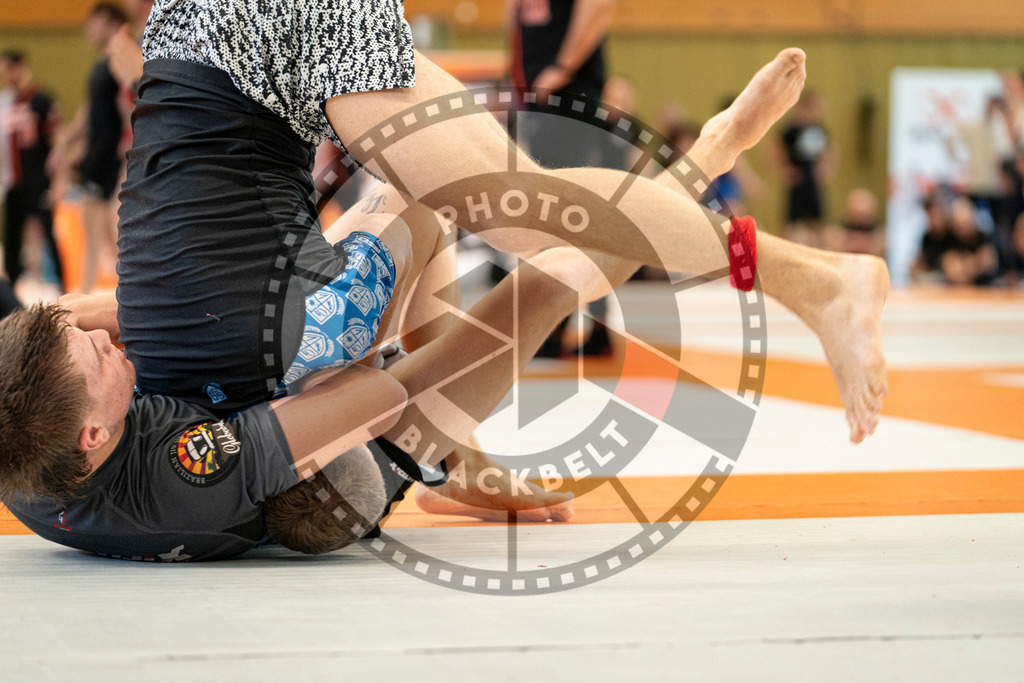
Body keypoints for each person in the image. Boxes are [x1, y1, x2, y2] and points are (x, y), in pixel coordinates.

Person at [0, 52, 824, 560]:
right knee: (520, 268)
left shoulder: (30, 453)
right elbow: (376, 394)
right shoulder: (181, 474)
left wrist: (97, 316)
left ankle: (459, 464)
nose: (105, 345)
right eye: (96, 361)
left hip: (286, 414)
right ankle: (707, 159)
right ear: (95, 435)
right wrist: (418, 389)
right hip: (344, 469)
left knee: (394, 258)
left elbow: (83, 327)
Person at [50, 3, 129, 294]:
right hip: (97, 153)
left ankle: (84, 295)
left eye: (93, 22)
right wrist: (67, 141)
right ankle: (121, 290)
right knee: (104, 231)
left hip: (108, 155)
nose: (88, 29)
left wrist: (128, 144)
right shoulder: (101, 64)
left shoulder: (119, 59)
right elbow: (89, 111)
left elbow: (129, 100)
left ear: (109, 22)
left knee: (97, 230)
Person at [0, 50, 65, 292]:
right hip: (13, 182)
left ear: (19, 67)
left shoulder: (42, 100)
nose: (5, 75)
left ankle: (62, 284)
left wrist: (58, 179)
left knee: (48, 233)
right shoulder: (7, 101)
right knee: (12, 238)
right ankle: (10, 293)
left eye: (7, 69)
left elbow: (58, 139)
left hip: (38, 180)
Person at [775, 90, 836, 248]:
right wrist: (784, 169)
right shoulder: (792, 129)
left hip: (813, 181)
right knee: (792, 223)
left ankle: (819, 254)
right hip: (798, 181)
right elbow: (773, 148)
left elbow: (830, 149)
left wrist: (826, 167)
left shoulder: (819, 129)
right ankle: (787, 252)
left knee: (818, 221)